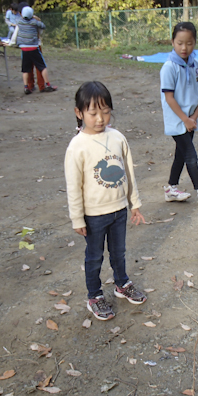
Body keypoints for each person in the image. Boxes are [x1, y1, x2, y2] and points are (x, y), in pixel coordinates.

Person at [64, 81, 147, 321]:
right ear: (79, 113)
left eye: (105, 111)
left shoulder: (118, 138)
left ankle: (122, 283)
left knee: (118, 252)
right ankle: (94, 295)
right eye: (93, 113)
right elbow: (74, 186)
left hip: (119, 209)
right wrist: (77, 218)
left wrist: (135, 203)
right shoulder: (77, 147)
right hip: (94, 215)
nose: (100, 118)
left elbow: (128, 172)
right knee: (94, 256)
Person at [160, 22, 198, 209]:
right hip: (177, 121)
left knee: (181, 155)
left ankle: (171, 188)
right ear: (173, 42)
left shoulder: (196, 65)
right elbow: (169, 97)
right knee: (191, 155)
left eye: (189, 43)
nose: (184, 48)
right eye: (180, 43)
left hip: (191, 120)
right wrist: (185, 119)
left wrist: (194, 117)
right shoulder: (169, 67)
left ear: (195, 42)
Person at [16, 6, 57, 94]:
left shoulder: (19, 22)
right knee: (42, 66)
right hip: (34, 47)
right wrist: (36, 18)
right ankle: (47, 84)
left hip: (24, 48)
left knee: (25, 69)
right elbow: (43, 26)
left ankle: (26, 87)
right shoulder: (34, 22)